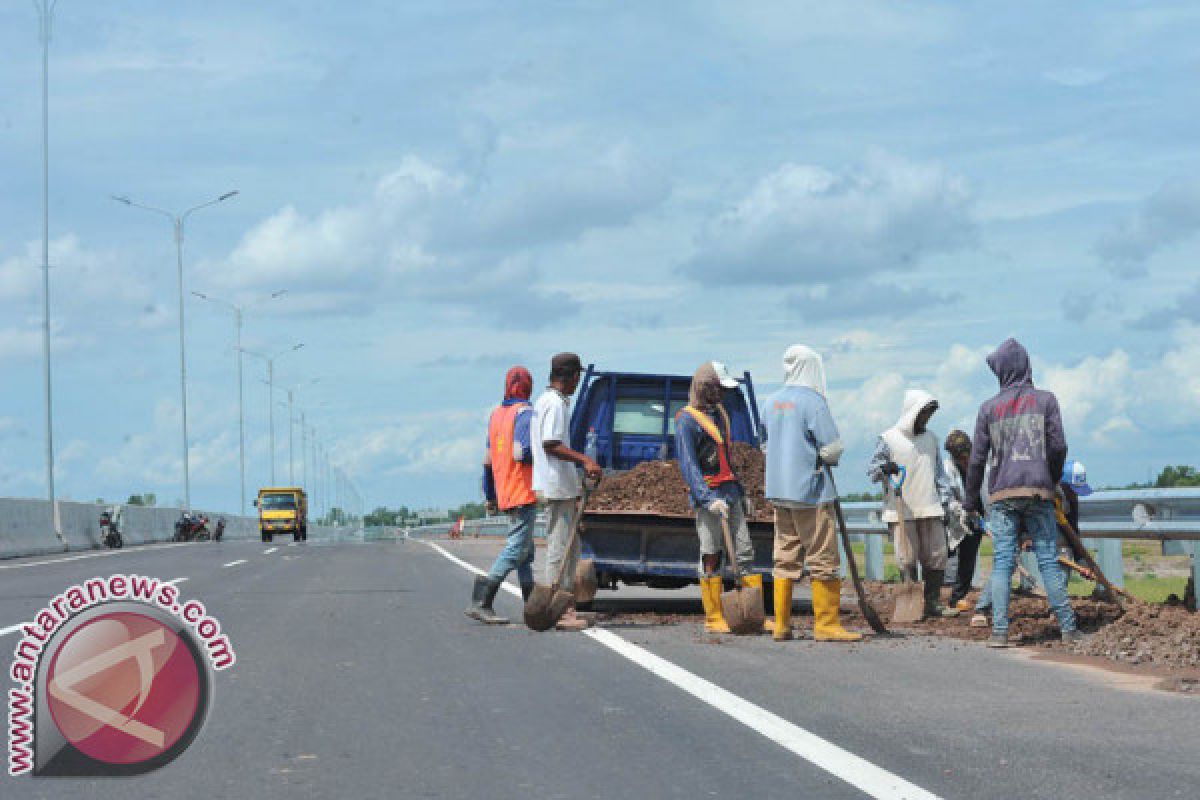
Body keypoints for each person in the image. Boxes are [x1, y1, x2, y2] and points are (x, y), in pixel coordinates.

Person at [964, 338, 1080, 647]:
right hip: (1038, 491)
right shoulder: (1046, 400)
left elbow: (976, 460)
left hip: (1002, 495)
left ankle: (999, 632)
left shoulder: (988, 409)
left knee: (1003, 561)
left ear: (1001, 371)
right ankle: (1068, 628)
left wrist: (970, 502)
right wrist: (1051, 478)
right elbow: (1059, 446)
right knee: (1047, 559)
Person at [762, 345, 861, 642]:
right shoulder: (813, 402)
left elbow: (765, 445)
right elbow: (831, 448)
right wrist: (826, 457)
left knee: (785, 557)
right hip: (809, 490)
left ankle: (781, 624)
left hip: (778, 491)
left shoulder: (771, 402)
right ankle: (826, 624)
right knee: (822, 557)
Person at [676, 361, 764, 634]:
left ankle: (752, 613)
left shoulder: (719, 415)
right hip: (710, 497)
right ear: (704, 388)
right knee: (711, 553)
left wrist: (741, 490)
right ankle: (714, 616)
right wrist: (706, 497)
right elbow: (689, 465)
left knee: (745, 552)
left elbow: (726, 458)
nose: (723, 394)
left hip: (730, 492)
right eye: (718, 389)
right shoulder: (686, 420)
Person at [868, 389, 959, 619]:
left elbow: (939, 475)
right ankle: (911, 600)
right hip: (901, 508)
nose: (926, 419)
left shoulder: (931, 440)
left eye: (929, 414)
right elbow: (872, 471)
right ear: (912, 413)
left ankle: (932, 602)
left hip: (929, 505)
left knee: (937, 555)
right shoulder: (888, 438)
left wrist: (946, 503)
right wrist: (884, 469)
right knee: (906, 557)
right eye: (923, 413)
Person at [532, 352, 602, 632]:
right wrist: (585, 460)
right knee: (560, 550)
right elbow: (552, 444)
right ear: (572, 376)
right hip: (557, 486)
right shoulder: (555, 404)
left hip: (558, 485)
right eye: (577, 377)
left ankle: (565, 607)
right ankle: (558, 611)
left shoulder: (546, 401)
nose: (577, 383)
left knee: (568, 550)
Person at [465, 366, 538, 625]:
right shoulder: (525, 414)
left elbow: (487, 461)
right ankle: (482, 601)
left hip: (505, 491)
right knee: (516, 548)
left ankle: (532, 605)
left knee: (525, 553)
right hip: (522, 491)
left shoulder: (497, 415)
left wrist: (491, 494)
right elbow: (521, 452)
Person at [943, 430, 984, 612]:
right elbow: (947, 495)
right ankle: (935, 597)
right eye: (960, 458)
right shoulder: (947, 469)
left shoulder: (982, 463)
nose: (964, 461)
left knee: (968, 559)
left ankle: (958, 598)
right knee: (946, 555)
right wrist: (961, 510)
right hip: (955, 517)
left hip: (978, 516)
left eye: (966, 456)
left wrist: (980, 516)